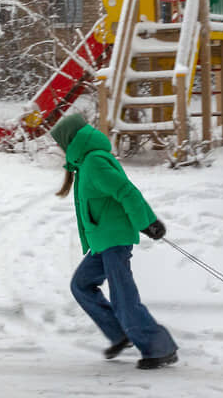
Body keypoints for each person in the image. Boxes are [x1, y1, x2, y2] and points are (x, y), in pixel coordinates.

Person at [50, 113, 179, 370]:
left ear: (70, 141)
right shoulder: (86, 162)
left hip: (114, 240)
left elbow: (127, 192)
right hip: (103, 240)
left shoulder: (95, 162)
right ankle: (121, 333)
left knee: (123, 298)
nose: (58, 149)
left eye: (60, 144)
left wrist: (147, 222)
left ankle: (159, 348)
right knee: (81, 285)